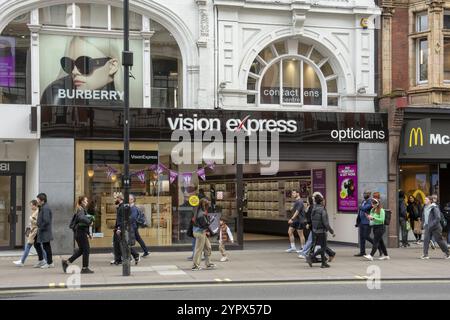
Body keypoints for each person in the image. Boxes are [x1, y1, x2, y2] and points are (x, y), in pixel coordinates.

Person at [40, 36, 123, 106]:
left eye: (84, 64)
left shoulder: (122, 104)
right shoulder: (57, 94)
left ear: (112, 66)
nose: (74, 72)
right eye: (70, 64)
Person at [62, 196, 95, 274]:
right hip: (80, 233)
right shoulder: (80, 209)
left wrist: (89, 233)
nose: (87, 202)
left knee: (81, 250)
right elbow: (81, 218)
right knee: (86, 249)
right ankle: (85, 268)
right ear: (82, 202)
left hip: (79, 232)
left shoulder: (81, 209)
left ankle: (66, 262)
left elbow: (82, 223)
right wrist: (89, 222)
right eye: (86, 201)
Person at [13, 200, 47, 266]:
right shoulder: (35, 211)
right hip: (33, 231)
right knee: (39, 247)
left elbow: (38, 222)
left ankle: (22, 261)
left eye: (31, 205)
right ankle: (47, 261)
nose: (30, 207)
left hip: (35, 231)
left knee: (28, 245)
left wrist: (31, 219)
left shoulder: (38, 212)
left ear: (35, 205)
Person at [306, 193, 335, 268]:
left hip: (315, 231)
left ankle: (323, 263)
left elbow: (312, 220)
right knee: (324, 247)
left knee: (322, 246)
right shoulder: (322, 210)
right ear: (321, 201)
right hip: (322, 231)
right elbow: (326, 223)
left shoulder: (313, 209)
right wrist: (332, 232)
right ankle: (311, 256)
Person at [110, 194, 140, 265]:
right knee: (120, 243)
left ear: (119, 199)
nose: (114, 200)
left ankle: (134, 255)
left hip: (122, 228)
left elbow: (123, 219)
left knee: (124, 243)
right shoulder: (121, 206)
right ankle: (119, 259)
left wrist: (119, 228)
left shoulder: (123, 207)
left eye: (115, 198)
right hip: (119, 228)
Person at [191, 198, 215, 271]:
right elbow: (204, 224)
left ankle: (208, 263)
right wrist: (211, 222)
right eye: (207, 205)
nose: (209, 206)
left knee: (208, 247)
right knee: (199, 249)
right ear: (204, 205)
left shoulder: (200, 211)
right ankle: (195, 265)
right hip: (200, 232)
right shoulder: (201, 213)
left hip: (201, 232)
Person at [36, 193, 54, 269]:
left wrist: (41, 227)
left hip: (45, 231)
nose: (37, 200)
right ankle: (49, 262)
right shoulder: (43, 207)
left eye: (38, 199)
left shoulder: (45, 208)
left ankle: (49, 263)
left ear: (42, 200)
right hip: (44, 230)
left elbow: (46, 220)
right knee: (46, 246)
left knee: (47, 247)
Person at [354, 191, 375, 256]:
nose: (364, 195)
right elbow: (361, 210)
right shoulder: (363, 201)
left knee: (366, 236)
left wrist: (360, 206)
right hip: (361, 222)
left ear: (369, 194)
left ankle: (377, 245)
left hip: (367, 222)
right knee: (361, 238)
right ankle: (362, 252)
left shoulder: (370, 202)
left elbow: (363, 208)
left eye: (366, 194)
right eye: (364, 193)